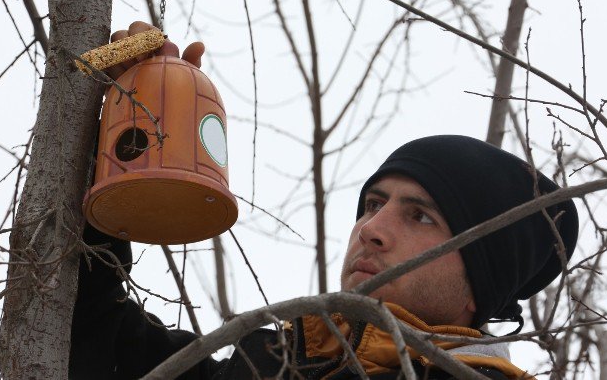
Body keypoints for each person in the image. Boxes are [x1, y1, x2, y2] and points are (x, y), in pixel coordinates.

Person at [69, 22, 579, 379]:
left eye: (420, 215)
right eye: (372, 204)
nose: (371, 229)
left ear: (479, 285)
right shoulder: (277, 363)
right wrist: (119, 140)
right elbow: (91, 332)